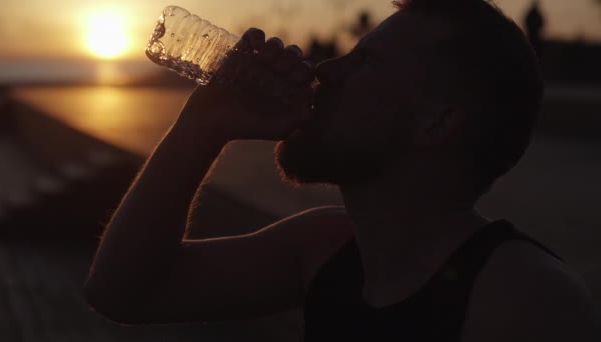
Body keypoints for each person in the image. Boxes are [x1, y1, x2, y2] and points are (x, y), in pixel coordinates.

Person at [84, 0, 601, 340]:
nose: (326, 70)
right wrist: (203, 125)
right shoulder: (327, 247)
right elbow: (124, 291)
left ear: (437, 121)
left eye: (367, 63)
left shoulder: (526, 300)